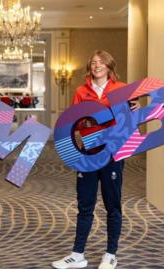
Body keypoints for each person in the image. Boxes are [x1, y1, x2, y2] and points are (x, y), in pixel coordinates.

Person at [52, 50, 139, 269]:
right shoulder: (81, 91)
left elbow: (131, 123)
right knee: (85, 203)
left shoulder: (122, 90)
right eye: (93, 62)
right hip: (89, 152)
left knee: (113, 204)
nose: (97, 65)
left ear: (110, 66)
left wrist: (136, 111)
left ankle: (110, 254)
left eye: (101, 62)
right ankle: (77, 254)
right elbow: (74, 121)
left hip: (112, 153)